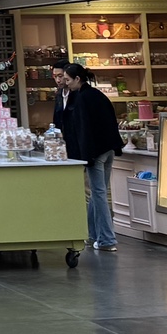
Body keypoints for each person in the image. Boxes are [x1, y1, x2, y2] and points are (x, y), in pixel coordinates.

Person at [55, 63, 123, 251]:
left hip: (95, 151)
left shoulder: (82, 99)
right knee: (97, 192)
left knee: (98, 193)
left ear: (78, 79)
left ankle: (107, 239)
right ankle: (93, 234)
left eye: (68, 79)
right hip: (108, 149)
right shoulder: (98, 96)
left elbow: (83, 129)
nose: (66, 83)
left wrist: (85, 156)